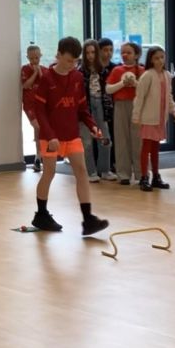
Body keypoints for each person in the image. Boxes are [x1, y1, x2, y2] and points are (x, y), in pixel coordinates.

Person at [31, 37, 109, 236]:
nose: (71, 65)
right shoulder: (46, 78)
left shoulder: (77, 77)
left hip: (72, 134)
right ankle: (41, 214)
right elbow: (39, 111)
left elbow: (82, 108)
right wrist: (50, 136)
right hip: (51, 136)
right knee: (49, 173)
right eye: (68, 60)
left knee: (82, 171)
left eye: (75, 61)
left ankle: (88, 219)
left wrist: (93, 126)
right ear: (58, 55)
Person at [132, 46, 175, 191]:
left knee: (155, 148)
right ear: (151, 60)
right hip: (148, 118)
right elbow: (139, 97)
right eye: (156, 58)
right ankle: (144, 177)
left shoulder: (166, 75)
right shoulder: (147, 75)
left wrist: (174, 111)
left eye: (162, 57)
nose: (160, 60)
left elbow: (169, 96)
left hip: (160, 119)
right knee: (146, 148)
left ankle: (156, 177)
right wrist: (136, 116)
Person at [106, 42, 144, 185]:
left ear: (136, 55)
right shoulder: (117, 70)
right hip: (120, 105)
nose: (125, 55)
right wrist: (122, 84)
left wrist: (134, 84)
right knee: (121, 140)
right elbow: (108, 89)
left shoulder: (142, 70)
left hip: (137, 105)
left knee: (138, 140)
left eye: (128, 52)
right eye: (122, 52)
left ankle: (141, 174)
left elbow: (146, 89)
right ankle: (123, 174)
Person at [78, 39, 116, 182]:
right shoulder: (80, 72)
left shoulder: (104, 71)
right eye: (87, 53)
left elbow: (108, 91)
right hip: (86, 107)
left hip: (101, 104)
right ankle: (91, 172)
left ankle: (104, 170)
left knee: (105, 139)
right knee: (87, 142)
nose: (90, 56)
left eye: (93, 52)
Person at [21, 44, 45, 172]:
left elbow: (46, 85)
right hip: (30, 105)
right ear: (27, 58)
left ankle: (38, 158)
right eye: (31, 58)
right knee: (38, 127)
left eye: (37, 58)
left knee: (39, 130)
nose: (34, 61)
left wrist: (40, 72)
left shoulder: (44, 70)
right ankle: (39, 156)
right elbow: (26, 85)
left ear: (40, 56)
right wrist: (35, 73)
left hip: (41, 105)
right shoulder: (25, 69)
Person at [98, 37, 117, 173]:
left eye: (111, 50)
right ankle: (99, 164)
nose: (108, 53)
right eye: (105, 50)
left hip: (112, 106)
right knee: (100, 136)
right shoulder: (95, 69)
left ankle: (112, 163)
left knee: (112, 135)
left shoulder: (115, 68)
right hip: (97, 106)